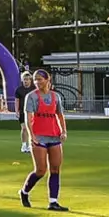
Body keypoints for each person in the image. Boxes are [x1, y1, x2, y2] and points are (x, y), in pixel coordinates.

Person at [19, 69, 70, 209]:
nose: (37, 82)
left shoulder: (56, 96)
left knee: (55, 169)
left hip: (54, 136)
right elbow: (28, 118)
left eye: (40, 79)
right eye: (35, 80)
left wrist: (63, 131)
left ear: (48, 79)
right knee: (41, 170)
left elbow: (60, 115)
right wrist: (32, 136)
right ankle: (24, 192)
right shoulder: (31, 97)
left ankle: (53, 202)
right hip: (39, 137)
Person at [15, 71, 36, 154]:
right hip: (22, 112)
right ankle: (24, 146)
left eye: (27, 79)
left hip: (32, 112)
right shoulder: (19, 90)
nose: (26, 81)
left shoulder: (34, 89)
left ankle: (31, 145)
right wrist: (16, 111)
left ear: (30, 80)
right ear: (22, 80)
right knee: (24, 128)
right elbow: (17, 101)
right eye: (24, 79)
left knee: (32, 129)